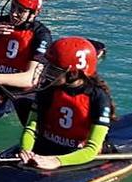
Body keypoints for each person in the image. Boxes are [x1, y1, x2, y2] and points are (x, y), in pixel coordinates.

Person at [17, 37, 116, 170]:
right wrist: (26, 151)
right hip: (47, 146)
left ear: (73, 73)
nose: (47, 73)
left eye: (54, 69)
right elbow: (31, 128)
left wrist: (58, 161)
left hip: (78, 153)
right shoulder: (48, 89)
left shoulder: (98, 97)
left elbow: (92, 148)